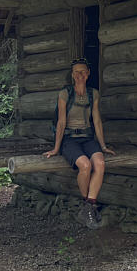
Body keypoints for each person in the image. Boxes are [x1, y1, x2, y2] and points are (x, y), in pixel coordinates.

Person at [42, 58, 115, 228]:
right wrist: (56, 148)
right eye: (76, 72)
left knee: (100, 163)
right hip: (69, 139)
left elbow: (96, 121)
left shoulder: (93, 94)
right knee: (85, 165)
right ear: (72, 75)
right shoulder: (65, 93)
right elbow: (61, 122)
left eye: (83, 71)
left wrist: (103, 146)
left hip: (88, 137)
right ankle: (88, 205)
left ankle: (88, 206)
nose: (79, 75)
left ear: (88, 74)